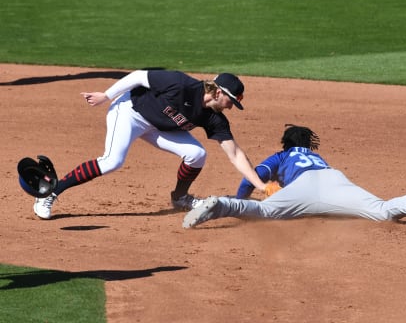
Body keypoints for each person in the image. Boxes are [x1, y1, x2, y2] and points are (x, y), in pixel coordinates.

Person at [33, 69, 266, 219]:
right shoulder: (181, 84)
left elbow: (235, 154)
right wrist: (106, 95)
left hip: (158, 128)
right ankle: (50, 192)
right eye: (231, 101)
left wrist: (261, 186)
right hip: (130, 113)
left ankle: (180, 198)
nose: (230, 107)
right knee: (113, 161)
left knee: (197, 153)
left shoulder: (214, 118)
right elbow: (137, 76)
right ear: (217, 92)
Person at [182, 124, 406, 229]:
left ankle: (220, 205)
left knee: (262, 211)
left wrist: (244, 198)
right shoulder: (318, 157)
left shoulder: (282, 156)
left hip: (303, 190)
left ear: (286, 143)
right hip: (334, 178)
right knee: (382, 211)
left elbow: (250, 178)